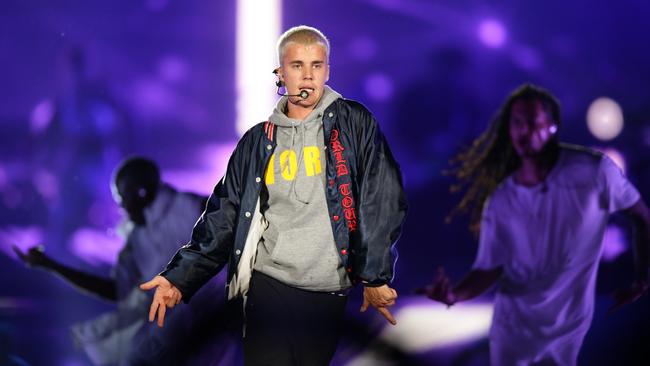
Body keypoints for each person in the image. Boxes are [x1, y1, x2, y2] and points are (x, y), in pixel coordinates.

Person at [140, 25, 408, 366]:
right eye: (297, 65)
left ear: (328, 70)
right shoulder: (257, 142)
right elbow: (224, 216)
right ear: (281, 73)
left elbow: (382, 197)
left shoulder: (354, 125)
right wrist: (179, 277)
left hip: (328, 289)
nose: (307, 75)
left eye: (317, 65)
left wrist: (375, 275)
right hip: (267, 287)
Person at [420, 84, 650, 366]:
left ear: (552, 126)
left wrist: (642, 277)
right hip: (512, 334)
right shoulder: (502, 199)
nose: (523, 131)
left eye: (531, 121)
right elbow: (490, 267)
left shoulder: (594, 171)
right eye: (516, 123)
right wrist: (454, 294)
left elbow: (642, 218)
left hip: (570, 334)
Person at [14, 157, 235, 365]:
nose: (122, 208)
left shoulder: (191, 208)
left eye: (122, 198)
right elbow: (116, 290)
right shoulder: (137, 241)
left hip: (217, 328)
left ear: (141, 192)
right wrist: (53, 266)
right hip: (183, 336)